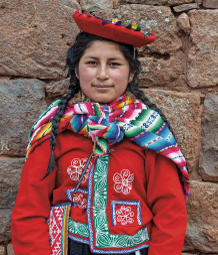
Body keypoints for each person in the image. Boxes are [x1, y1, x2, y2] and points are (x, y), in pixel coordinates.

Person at [11, 10, 189, 255]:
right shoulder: (55, 127)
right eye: (92, 63)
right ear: (76, 70)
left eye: (114, 64)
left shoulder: (149, 131)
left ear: (132, 73)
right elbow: (29, 211)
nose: (102, 74)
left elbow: (171, 213)